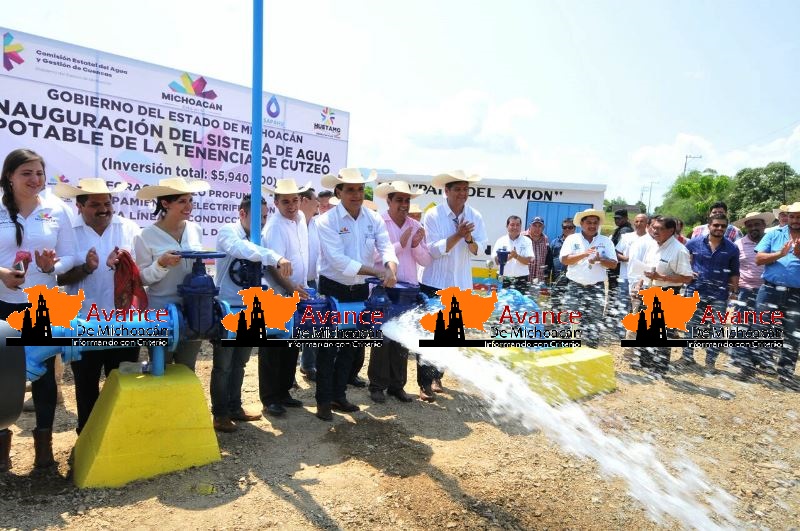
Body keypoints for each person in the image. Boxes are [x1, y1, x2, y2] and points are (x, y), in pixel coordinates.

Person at [0, 148, 78, 471]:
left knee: (44, 376)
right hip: (3, 306)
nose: (35, 180)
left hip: (41, 306)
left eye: (39, 173)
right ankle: (2, 448)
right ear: (9, 176)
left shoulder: (57, 209)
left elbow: (71, 255)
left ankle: (43, 449)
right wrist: (2, 274)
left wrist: (53, 265)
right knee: (2, 375)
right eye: (26, 173)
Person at [53, 178, 141, 435]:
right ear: (79, 206)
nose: (104, 209)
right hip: (84, 322)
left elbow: (141, 274)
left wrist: (124, 264)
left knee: (124, 380)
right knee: (86, 383)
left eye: (107, 203)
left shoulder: (128, 228)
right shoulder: (67, 231)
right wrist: (86, 268)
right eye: (95, 204)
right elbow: (59, 277)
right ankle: (88, 435)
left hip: (124, 322)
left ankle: (121, 434)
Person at [314, 168, 398, 420]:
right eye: (350, 189)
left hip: (360, 290)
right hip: (332, 289)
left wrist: (391, 268)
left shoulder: (373, 218)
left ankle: (339, 396)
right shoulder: (326, 221)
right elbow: (339, 261)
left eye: (360, 189)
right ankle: (324, 401)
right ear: (338, 193)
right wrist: (377, 271)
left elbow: (386, 247)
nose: (356, 194)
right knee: (328, 348)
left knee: (350, 347)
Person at [212, 193, 290, 432]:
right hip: (227, 306)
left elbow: (266, 271)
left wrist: (289, 293)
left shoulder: (260, 240)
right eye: (259, 218)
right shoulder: (228, 232)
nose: (263, 223)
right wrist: (275, 256)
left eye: (265, 218)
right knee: (223, 364)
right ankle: (220, 413)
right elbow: (242, 249)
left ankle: (235, 406)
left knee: (240, 362)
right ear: (242, 213)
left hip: (249, 307)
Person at [421, 170, 487, 394]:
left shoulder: (475, 215)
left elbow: (478, 249)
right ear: (446, 191)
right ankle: (424, 383)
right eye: (457, 189)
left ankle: (438, 377)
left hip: (460, 285)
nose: (462, 193)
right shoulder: (433, 215)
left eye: (465, 189)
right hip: (435, 283)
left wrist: (468, 238)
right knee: (430, 334)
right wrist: (458, 235)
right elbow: (434, 251)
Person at [133, 177, 210, 371]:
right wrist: (161, 264)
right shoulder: (145, 236)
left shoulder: (195, 230)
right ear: (165, 203)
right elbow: (141, 278)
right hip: (160, 312)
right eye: (182, 201)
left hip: (193, 310)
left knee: (187, 367)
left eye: (191, 200)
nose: (189, 206)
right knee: (161, 367)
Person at [369, 180, 432, 404]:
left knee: (402, 340)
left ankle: (397, 386)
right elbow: (374, 257)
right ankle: (377, 385)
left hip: (408, 290)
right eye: (399, 200)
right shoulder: (378, 222)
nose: (404, 204)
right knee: (383, 339)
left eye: (407, 200)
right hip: (385, 288)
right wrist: (400, 243)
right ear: (389, 200)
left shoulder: (415, 226)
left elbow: (425, 259)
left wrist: (415, 244)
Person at [261, 179, 311, 416]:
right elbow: (271, 266)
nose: (291, 206)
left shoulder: (301, 219)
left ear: (300, 200)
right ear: (276, 202)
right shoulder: (274, 227)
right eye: (285, 202)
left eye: (294, 200)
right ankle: (270, 397)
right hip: (277, 294)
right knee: (273, 347)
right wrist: (291, 288)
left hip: (296, 293)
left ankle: (283, 391)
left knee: (290, 346)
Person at [678, 213, 740, 373]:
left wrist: (734, 290)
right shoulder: (694, 243)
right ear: (709, 225)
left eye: (723, 226)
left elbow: (734, 271)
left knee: (717, 328)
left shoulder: (732, 248)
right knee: (692, 325)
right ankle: (687, 357)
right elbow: (682, 261)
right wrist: (688, 272)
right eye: (716, 225)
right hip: (696, 291)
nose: (719, 228)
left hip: (719, 294)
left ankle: (710, 362)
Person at [635, 217, 693, 374]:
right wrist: (640, 284)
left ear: (671, 230)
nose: (655, 231)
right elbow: (648, 269)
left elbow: (687, 277)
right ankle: (645, 363)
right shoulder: (653, 245)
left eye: (659, 228)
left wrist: (663, 277)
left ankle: (660, 368)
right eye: (653, 227)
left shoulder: (679, 250)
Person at [752, 202, 800, 390]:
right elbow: (758, 259)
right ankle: (760, 364)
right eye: (793, 216)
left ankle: (786, 373)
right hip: (770, 290)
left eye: (799, 217)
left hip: (796, 294)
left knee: (793, 334)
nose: (796, 220)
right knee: (762, 327)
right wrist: (780, 253)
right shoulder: (773, 234)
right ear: (787, 216)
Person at [558, 208, 617, 348]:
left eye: (595, 223)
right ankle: (565, 353)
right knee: (569, 320)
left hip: (596, 287)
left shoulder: (605, 241)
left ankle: (591, 353)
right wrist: (584, 254)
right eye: (589, 222)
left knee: (594, 322)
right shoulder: (572, 239)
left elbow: (614, 264)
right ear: (582, 223)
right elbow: (565, 260)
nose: (592, 226)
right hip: (574, 286)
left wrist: (600, 259)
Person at [729, 212, 771, 378]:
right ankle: (741, 359)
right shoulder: (738, 244)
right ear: (745, 227)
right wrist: (733, 289)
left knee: (762, 326)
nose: (753, 228)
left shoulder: (772, 242)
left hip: (767, 291)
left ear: (763, 226)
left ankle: (757, 359)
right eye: (750, 225)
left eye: (757, 225)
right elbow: (733, 268)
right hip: (745, 290)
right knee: (741, 325)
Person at [298, 187, 320, 381]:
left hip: (312, 282)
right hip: (291, 284)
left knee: (312, 325)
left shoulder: (316, 224)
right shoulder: (292, 222)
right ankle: (288, 375)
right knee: (290, 328)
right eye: (315, 201)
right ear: (304, 200)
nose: (318, 205)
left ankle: (308, 364)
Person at [615, 213, 649, 318]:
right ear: (633, 223)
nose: (639, 223)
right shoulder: (626, 237)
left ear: (647, 223)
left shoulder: (651, 239)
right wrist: (627, 259)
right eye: (637, 221)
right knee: (623, 304)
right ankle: (621, 330)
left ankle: (637, 331)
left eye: (642, 221)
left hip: (643, 279)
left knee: (640, 307)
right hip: (625, 276)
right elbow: (616, 253)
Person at [493, 215, 533, 292]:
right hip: (504, 279)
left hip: (521, 280)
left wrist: (516, 256)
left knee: (519, 303)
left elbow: (528, 261)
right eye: (512, 225)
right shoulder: (500, 241)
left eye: (518, 225)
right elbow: (497, 261)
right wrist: (510, 257)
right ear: (507, 226)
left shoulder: (527, 241)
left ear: (521, 227)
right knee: (505, 303)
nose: (515, 227)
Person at [549, 217, 575, 308]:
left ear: (574, 228)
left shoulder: (579, 242)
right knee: (555, 303)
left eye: (570, 227)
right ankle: (554, 322)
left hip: (573, 278)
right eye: (565, 227)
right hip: (558, 277)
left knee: (571, 304)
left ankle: (568, 322)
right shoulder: (555, 242)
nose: (567, 229)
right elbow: (549, 261)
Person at [524, 217, 552, 287]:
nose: (537, 229)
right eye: (534, 226)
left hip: (539, 281)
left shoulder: (545, 239)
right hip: (523, 279)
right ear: (529, 226)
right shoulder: (522, 237)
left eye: (540, 226)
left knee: (536, 298)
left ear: (543, 228)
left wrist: (547, 277)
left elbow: (548, 260)